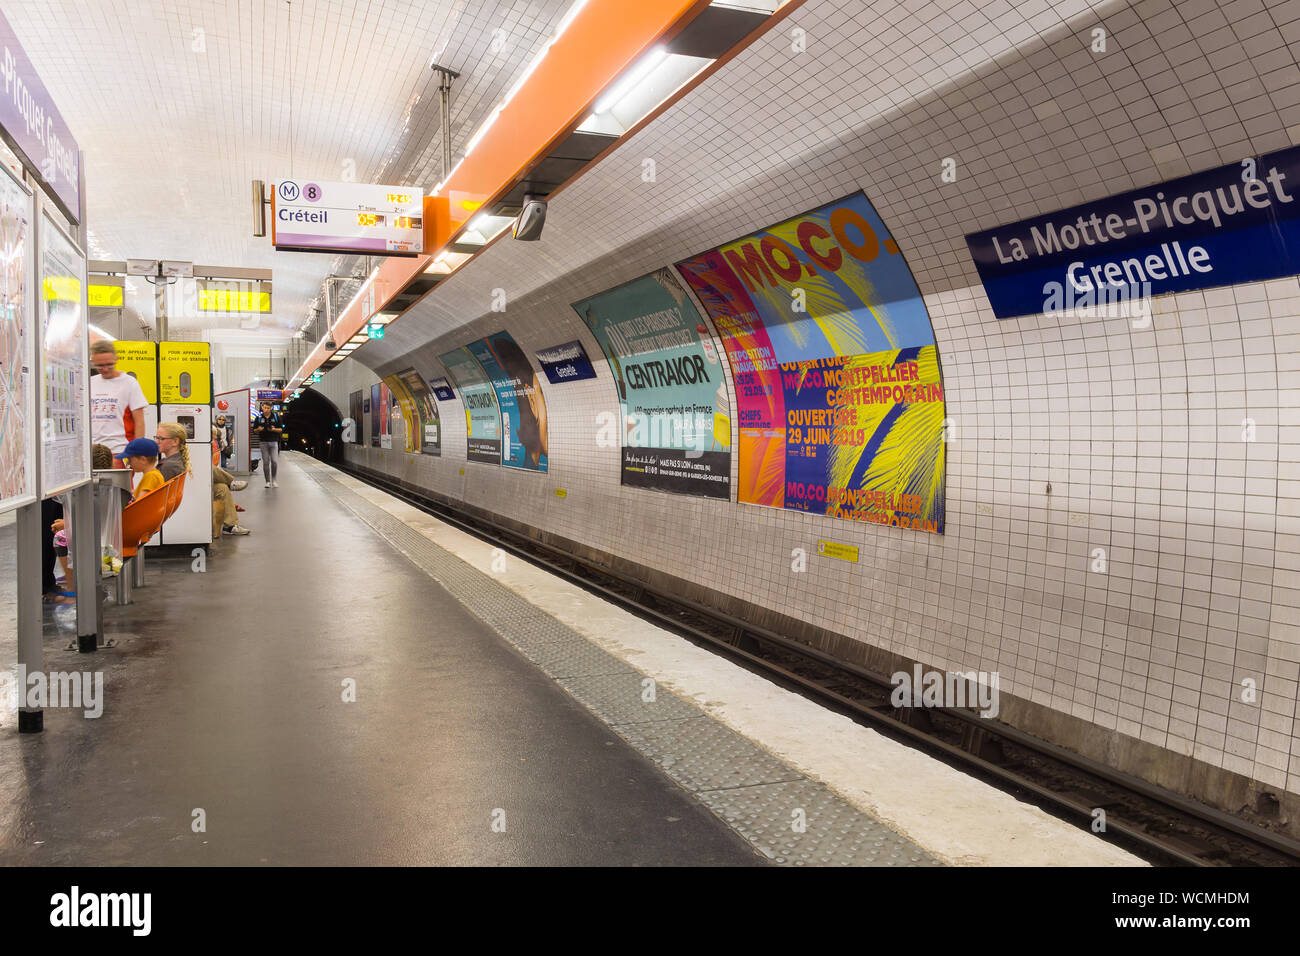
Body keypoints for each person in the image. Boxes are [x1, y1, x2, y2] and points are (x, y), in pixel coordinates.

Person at [155, 422, 250, 536]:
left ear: (175, 442)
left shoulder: (169, 464)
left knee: (221, 487)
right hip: (184, 497)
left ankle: (230, 526)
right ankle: (230, 484)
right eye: (157, 438)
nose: (157, 441)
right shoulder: (176, 462)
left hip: (182, 497)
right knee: (208, 469)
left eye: (161, 438)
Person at [89, 341, 148, 460]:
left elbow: (139, 421)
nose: (105, 369)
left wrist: (136, 453)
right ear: (93, 362)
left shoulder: (129, 383)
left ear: (116, 359)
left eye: (109, 364)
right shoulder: (90, 382)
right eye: (100, 366)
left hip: (120, 450)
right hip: (93, 451)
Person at [252, 401, 284, 487]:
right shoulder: (258, 417)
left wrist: (273, 429)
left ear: (271, 409)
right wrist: (258, 429)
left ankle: (274, 480)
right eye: (265, 407)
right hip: (263, 442)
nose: (266, 409)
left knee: (274, 462)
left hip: (274, 442)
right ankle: (267, 481)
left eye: (268, 408)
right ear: (262, 408)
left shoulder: (276, 417)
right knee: (266, 462)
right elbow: (254, 430)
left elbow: (281, 429)